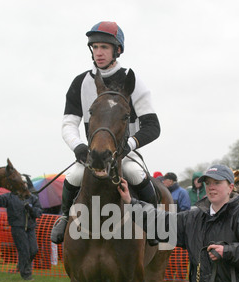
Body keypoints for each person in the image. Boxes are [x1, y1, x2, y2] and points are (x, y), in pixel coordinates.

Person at [51, 21, 161, 244]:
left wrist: (128, 145)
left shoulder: (133, 80)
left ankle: (154, 223)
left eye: (104, 47)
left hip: (124, 152)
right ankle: (64, 217)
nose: (98, 53)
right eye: (95, 47)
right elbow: (68, 123)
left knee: (135, 174)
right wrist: (78, 146)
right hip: (93, 153)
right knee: (73, 176)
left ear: (117, 50)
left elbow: (152, 126)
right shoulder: (80, 82)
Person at [0, 185, 42, 281]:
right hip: (17, 227)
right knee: (24, 250)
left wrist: (31, 209)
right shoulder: (9, 196)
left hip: (30, 228)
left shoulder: (33, 198)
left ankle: (21, 265)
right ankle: (26, 275)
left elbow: (39, 213)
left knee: (34, 250)